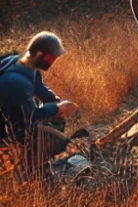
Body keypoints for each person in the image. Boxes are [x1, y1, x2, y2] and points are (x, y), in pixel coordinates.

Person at [0, 32, 79, 161]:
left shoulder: (20, 63)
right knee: (59, 142)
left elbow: (39, 87)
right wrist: (56, 109)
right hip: (6, 132)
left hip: (14, 118)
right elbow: (31, 115)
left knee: (55, 123)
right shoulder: (15, 81)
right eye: (50, 59)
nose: (52, 62)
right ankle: (32, 170)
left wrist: (54, 100)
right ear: (39, 54)